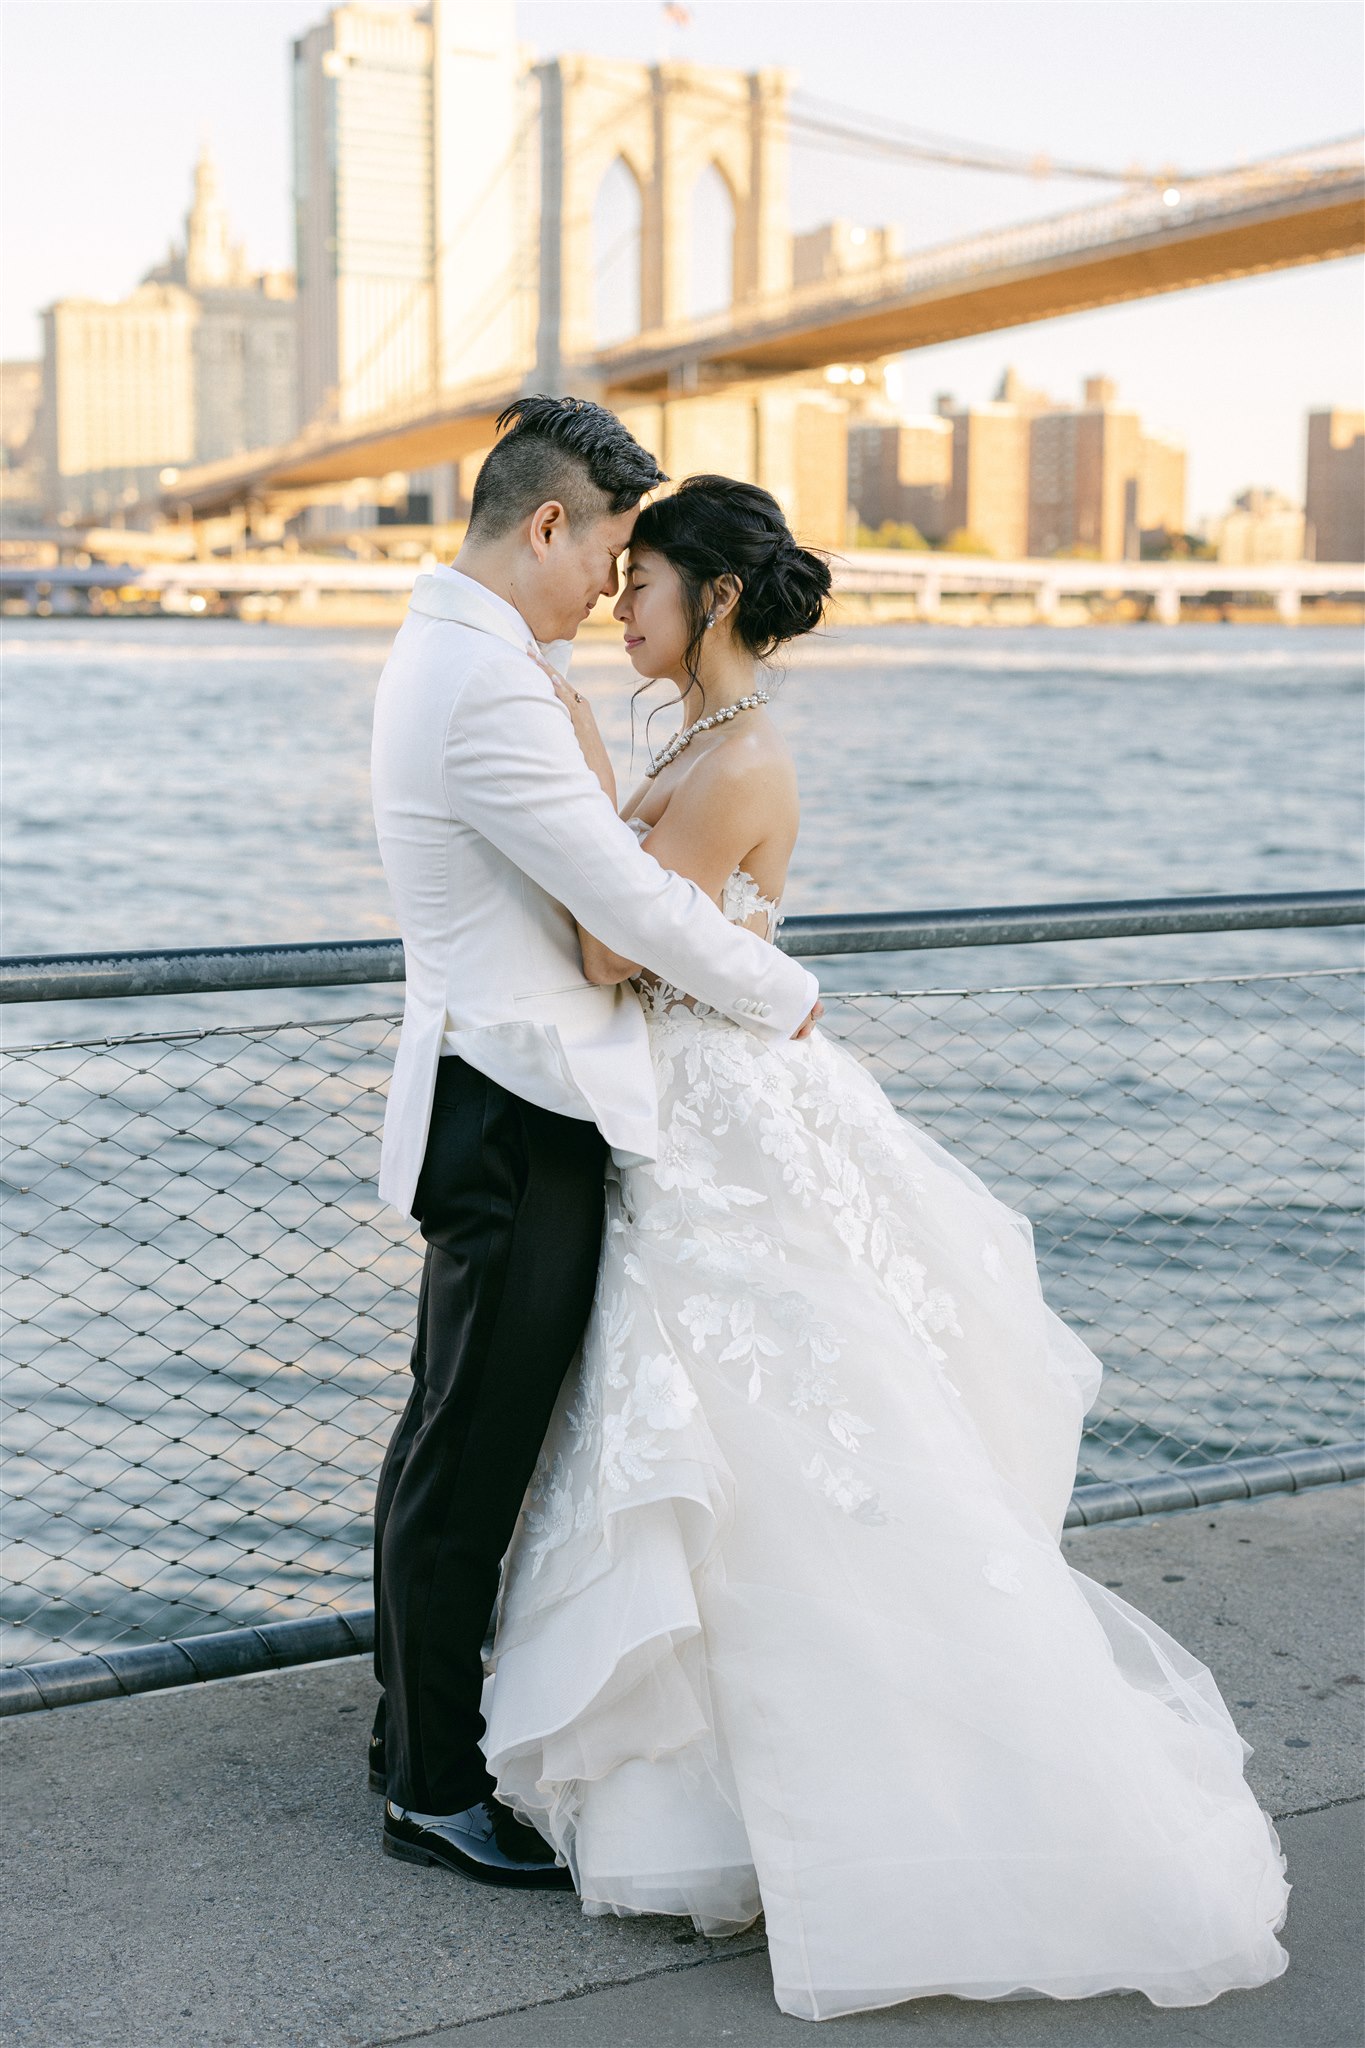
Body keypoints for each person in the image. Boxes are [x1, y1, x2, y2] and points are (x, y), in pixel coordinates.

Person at [477, 475, 1293, 2017]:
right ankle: (707, 1773)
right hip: (695, 1119)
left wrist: (573, 768)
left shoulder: (737, 756)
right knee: (716, 1432)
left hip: (725, 1131)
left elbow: (613, 944)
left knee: (784, 1443)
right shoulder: (702, 736)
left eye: (640, 578)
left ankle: (858, 1800)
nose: (619, 603)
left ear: (710, 598)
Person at [367, 402, 823, 1890]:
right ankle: (432, 1783)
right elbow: (623, 916)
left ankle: (414, 1742)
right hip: (519, 1109)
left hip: (505, 1094)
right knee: (467, 1458)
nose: (611, 591)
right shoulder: (489, 687)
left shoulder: (469, 658)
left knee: (451, 1441)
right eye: (610, 551)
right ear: (547, 524)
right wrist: (786, 989)